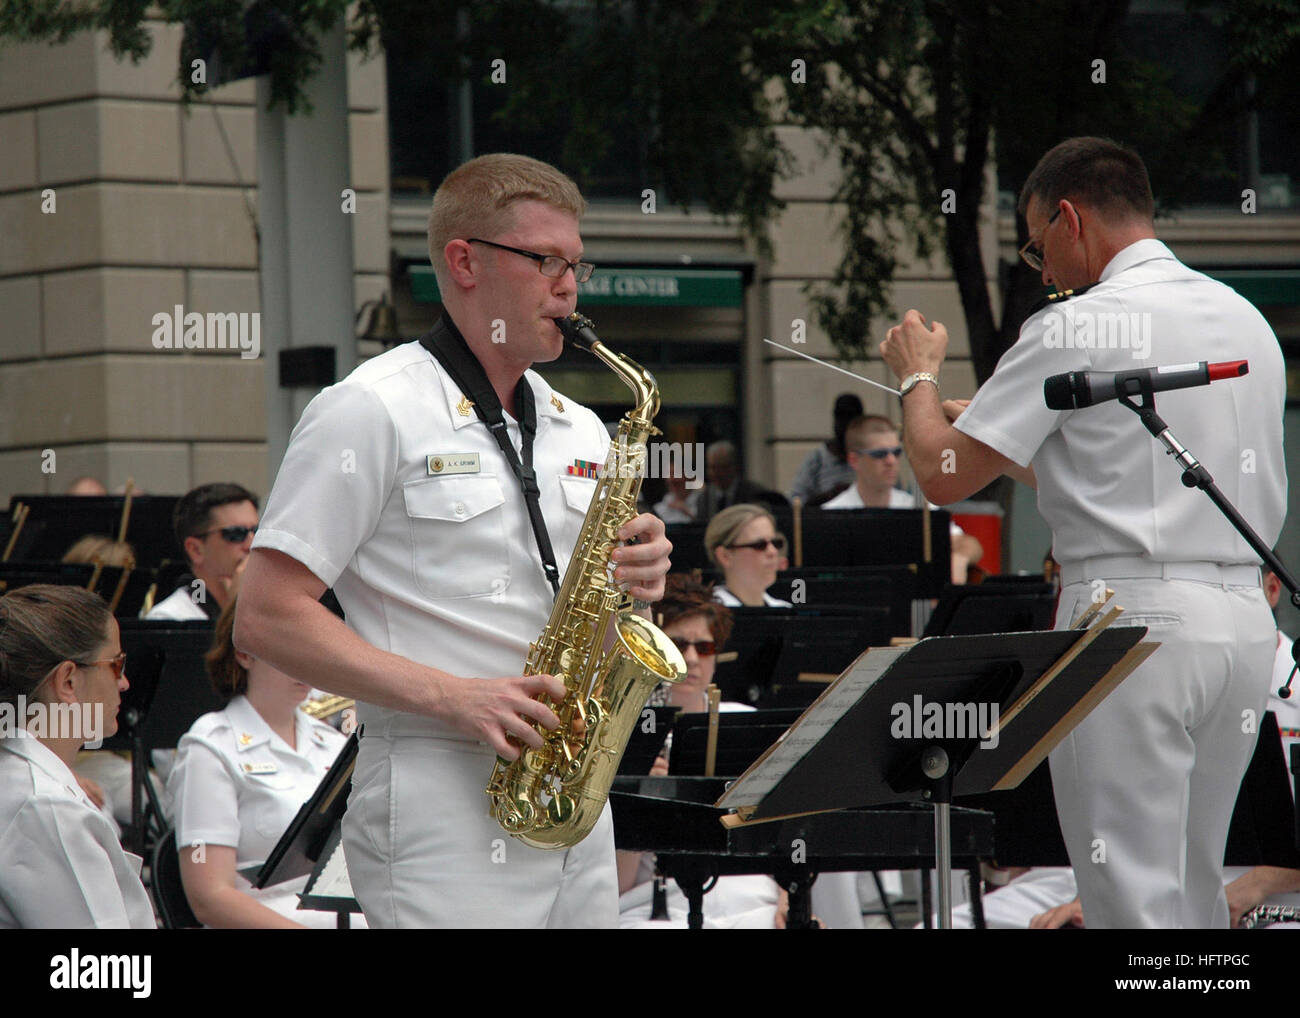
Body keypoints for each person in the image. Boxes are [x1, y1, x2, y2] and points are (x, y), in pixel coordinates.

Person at [234, 153, 673, 929]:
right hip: (437, 794)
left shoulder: (582, 427)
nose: (570, 286)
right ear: (464, 261)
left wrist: (634, 582)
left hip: (570, 790)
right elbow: (266, 617)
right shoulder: (369, 408)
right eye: (546, 261)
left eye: (577, 264)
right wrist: (456, 696)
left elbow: (592, 624)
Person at [879, 136, 1286, 928]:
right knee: (1194, 885)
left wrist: (917, 375)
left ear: (1069, 219)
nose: (1043, 271)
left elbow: (938, 474)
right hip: (1240, 622)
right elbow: (1126, 474)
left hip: (1128, 618)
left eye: (1037, 248)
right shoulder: (1245, 318)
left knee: (1130, 895)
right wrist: (1012, 437)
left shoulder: (1077, 323)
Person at [167, 597, 352, 928]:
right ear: (244, 653)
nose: (306, 660)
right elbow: (209, 898)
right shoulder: (210, 747)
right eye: (290, 646)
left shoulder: (334, 743)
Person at [618, 575, 784, 928]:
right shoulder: (623, 738)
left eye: (705, 648)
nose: (691, 659)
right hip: (658, 906)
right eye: (677, 645)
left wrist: (789, 899)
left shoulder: (748, 724)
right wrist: (640, 799)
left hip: (752, 897)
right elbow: (618, 883)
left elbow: (788, 833)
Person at [0, 584, 154, 928]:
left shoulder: (26, 780)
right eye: (117, 664)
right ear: (68, 681)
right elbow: (102, 974)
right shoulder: (50, 809)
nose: (125, 682)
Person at [823, 414, 984, 582]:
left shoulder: (915, 507)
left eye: (896, 452)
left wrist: (959, 559)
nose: (891, 460)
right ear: (854, 460)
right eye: (880, 454)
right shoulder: (831, 514)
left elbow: (970, 544)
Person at [147, 482, 259, 622]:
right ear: (196, 550)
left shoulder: (267, 609)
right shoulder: (170, 618)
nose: (251, 544)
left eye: (257, 532)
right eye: (235, 533)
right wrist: (234, 610)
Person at [704, 504, 792, 608]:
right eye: (759, 545)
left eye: (776, 543)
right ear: (724, 556)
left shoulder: (785, 610)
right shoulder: (704, 616)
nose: (773, 552)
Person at [788, 393, 862, 505]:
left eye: (851, 417)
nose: (845, 423)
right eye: (841, 416)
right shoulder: (817, 458)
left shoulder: (873, 456)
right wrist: (831, 495)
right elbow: (796, 502)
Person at [687, 441, 786, 521]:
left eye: (722, 467)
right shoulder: (704, 497)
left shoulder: (754, 493)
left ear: (734, 467)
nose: (716, 473)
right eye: (712, 467)